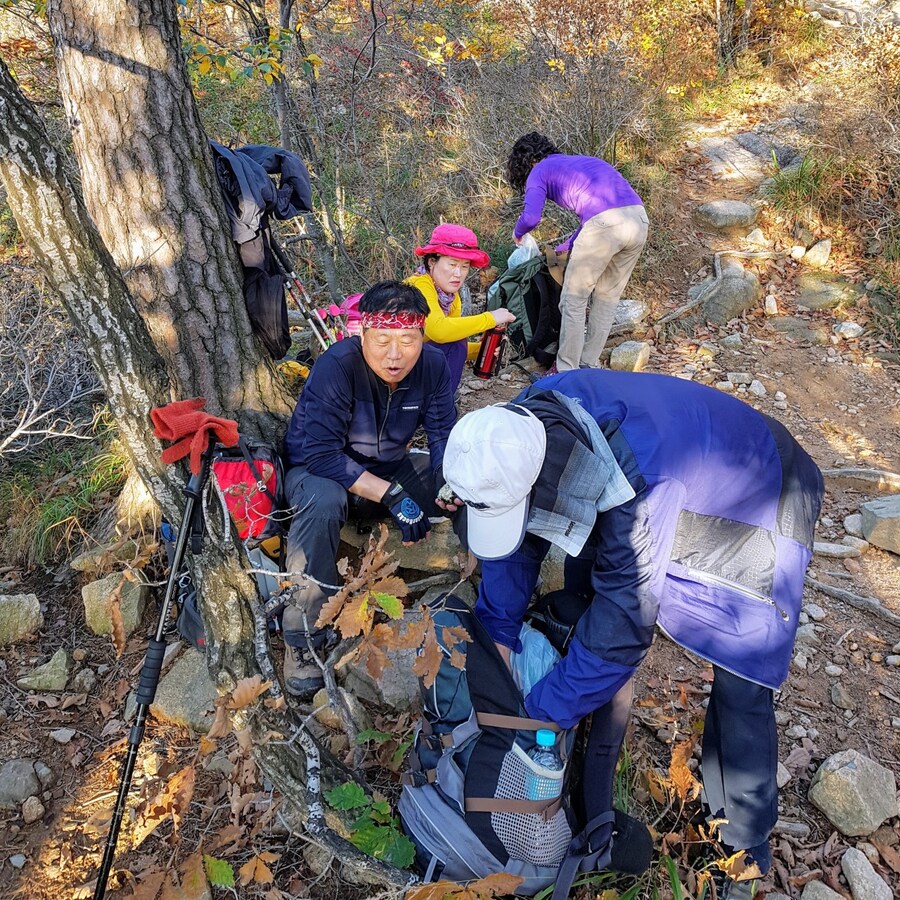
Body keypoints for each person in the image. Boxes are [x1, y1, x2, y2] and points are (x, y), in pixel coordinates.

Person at [440, 370, 824, 900]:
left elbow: (622, 628)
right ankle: (587, 780)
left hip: (760, 491)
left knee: (741, 682)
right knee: (578, 612)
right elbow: (516, 545)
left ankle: (743, 853)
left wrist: (537, 716)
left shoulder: (637, 487)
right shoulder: (508, 431)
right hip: (655, 472)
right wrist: (496, 639)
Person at [281, 280, 457, 698]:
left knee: (466, 484)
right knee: (325, 501)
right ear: (362, 334)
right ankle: (301, 639)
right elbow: (321, 453)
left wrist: (452, 480)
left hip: (389, 466)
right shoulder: (337, 366)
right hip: (320, 471)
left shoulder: (432, 366)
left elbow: (442, 434)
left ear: (422, 337)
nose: (395, 355)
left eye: (408, 340)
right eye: (382, 340)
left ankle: (473, 597)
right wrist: (393, 496)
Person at [506, 132, 649, 372]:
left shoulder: (539, 170)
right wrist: (566, 247)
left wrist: (518, 232)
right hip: (638, 221)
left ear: (528, 161)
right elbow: (596, 214)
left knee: (573, 300)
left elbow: (531, 217)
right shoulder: (586, 162)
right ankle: (588, 365)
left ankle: (566, 370)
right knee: (606, 299)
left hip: (605, 227)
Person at [406, 224, 516, 391]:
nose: (458, 273)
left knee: (457, 341)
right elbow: (439, 332)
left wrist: (482, 350)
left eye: (464, 266)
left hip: (411, 361)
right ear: (431, 262)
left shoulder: (449, 296)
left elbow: (450, 344)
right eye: (452, 264)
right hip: (394, 366)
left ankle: (438, 406)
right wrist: (490, 318)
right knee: (456, 341)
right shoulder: (419, 286)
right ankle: (439, 412)